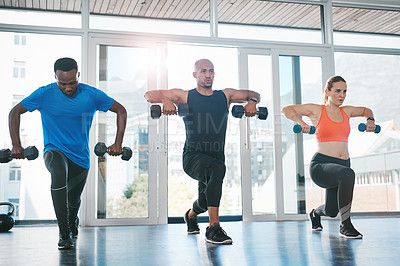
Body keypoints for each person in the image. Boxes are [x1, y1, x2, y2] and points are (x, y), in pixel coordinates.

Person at [9, 57, 127, 250]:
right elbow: (15, 112)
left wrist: (118, 143)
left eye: (72, 82)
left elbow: (120, 110)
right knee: (57, 171)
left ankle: (72, 220)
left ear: (78, 75)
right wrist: (16, 145)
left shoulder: (91, 95)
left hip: (81, 157)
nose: (68, 88)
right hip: (53, 150)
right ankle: (64, 233)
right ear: (55, 77)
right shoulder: (44, 94)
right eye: (62, 83)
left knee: (73, 200)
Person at [144, 59, 261, 245]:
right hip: (192, 157)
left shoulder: (226, 96)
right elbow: (149, 94)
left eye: (211, 71)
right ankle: (213, 228)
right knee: (217, 169)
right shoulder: (184, 95)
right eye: (203, 71)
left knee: (205, 202)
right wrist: (166, 100)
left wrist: (253, 102)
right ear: (195, 74)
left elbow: (253, 94)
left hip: (214, 156)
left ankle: (190, 216)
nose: (208, 75)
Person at [281, 75, 377, 239]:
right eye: (338, 91)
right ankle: (345, 225)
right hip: (321, 166)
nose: (342, 95)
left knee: (331, 211)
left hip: (341, 165)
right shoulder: (317, 110)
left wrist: (370, 120)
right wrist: (301, 123)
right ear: (328, 91)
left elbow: (365, 110)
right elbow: (287, 110)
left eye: (345, 91)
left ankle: (315, 214)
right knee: (348, 174)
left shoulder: (346, 111)